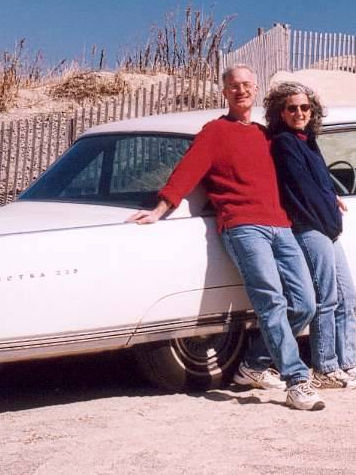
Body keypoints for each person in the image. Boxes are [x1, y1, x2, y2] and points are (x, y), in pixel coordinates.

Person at [127, 65, 325, 411]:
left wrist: (328, 198)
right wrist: (159, 209)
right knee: (271, 301)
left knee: (305, 304)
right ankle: (296, 381)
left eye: (246, 85)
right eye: (234, 86)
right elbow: (186, 172)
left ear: (256, 89)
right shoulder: (214, 132)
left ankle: (253, 365)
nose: (241, 90)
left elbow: (298, 174)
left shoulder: (266, 135)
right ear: (225, 92)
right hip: (243, 227)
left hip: (281, 226)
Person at [264, 81, 356, 389]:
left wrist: (332, 198)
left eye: (304, 107)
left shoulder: (307, 140)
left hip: (325, 226)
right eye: (291, 108)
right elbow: (302, 189)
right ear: (280, 112)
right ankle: (325, 367)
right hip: (310, 227)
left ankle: (347, 364)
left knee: (347, 297)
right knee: (326, 299)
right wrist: (327, 209)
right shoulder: (285, 143)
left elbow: (320, 182)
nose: (299, 113)